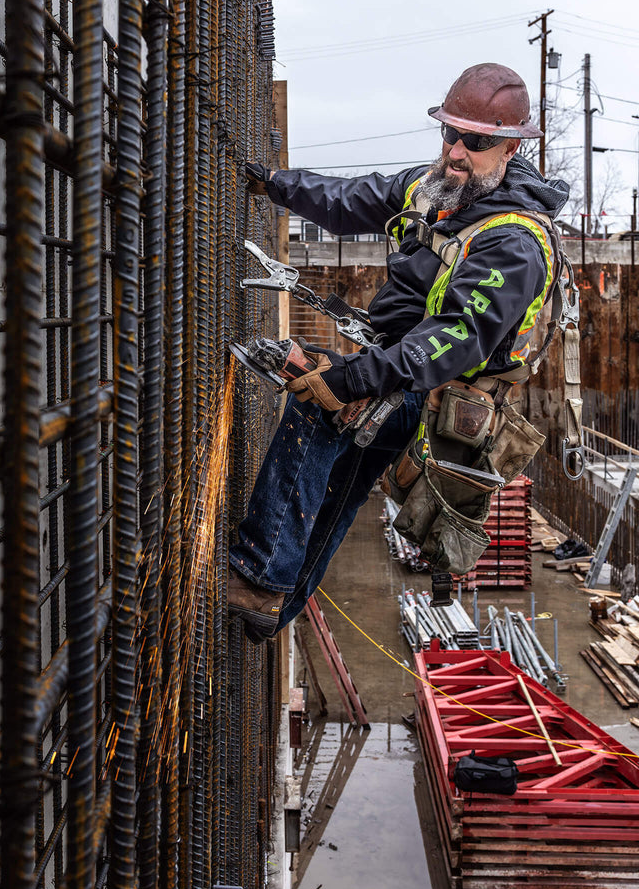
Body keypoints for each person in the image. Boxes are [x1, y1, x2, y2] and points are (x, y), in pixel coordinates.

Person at [228, 63, 569, 641]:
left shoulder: (513, 241)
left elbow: (451, 342)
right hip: (398, 366)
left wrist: (354, 380)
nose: (458, 151)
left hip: (435, 394)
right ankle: (269, 611)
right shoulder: (439, 187)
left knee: (320, 398)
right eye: (450, 134)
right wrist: (275, 185)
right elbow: (354, 198)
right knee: (336, 496)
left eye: (478, 141)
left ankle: (260, 578)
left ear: (511, 146)